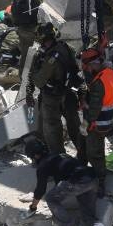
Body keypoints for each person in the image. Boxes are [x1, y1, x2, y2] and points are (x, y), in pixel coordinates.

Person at [23, 136, 113, 226]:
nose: (33, 161)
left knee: (50, 198)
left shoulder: (43, 166)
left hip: (77, 182)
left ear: (35, 155)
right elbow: (61, 180)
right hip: (92, 179)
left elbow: (40, 190)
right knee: (88, 216)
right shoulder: (60, 155)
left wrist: (33, 207)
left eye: (32, 158)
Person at [26, 23, 85, 159]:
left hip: (52, 97)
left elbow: (37, 80)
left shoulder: (48, 56)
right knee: (74, 126)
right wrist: (82, 92)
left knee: (52, 129)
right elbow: (78, 73)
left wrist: (30, 90)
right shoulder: (66, 48)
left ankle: (59, 159)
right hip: (68, 93)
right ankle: (83, 155)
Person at [80, 48, 113, 193]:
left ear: (94, 64)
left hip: (97, 123)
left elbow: (94, 108)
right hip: (108, 120)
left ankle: (100, 182)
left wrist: (86, 123)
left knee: (94, 153)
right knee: (87, 147)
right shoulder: (111, 74)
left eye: (88, 67)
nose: (87, 70)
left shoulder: (98, 83)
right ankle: (83, 170)